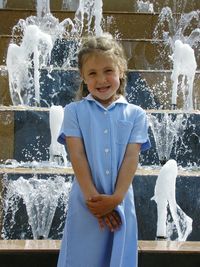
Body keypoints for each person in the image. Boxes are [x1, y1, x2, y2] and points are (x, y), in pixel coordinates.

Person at [57, 33, 151, 267]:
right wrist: (94, 202)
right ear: (83, 77)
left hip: (120, 202)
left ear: (121, 70)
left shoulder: (136, 114)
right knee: (81, 258)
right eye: (92, 73)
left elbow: (131, 157)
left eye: (108, 70)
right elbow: (76, 156)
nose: (101, 80)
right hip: (85, 203)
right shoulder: (73, 112)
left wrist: (116, 199)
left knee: (118, 259)